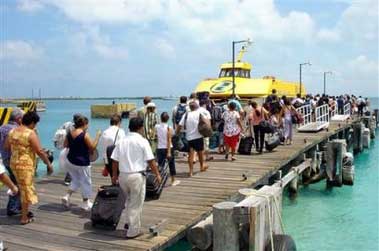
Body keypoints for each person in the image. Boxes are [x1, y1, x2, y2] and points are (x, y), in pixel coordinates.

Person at [111, 117, 162, 239]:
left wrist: (114, 175)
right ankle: (133, 231)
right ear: (140, 128)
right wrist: (157, 174)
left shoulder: (121, 141)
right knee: (136, 203)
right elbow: (150, 160)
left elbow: (114, 160)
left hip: (123, 175)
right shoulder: (142, 141)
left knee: (128, 201)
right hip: (136, 175)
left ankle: (129, 223)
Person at [5, 111, 53, 225]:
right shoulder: (30, 133)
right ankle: (24, 218)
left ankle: (21, 210)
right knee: (26, 190)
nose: (35, 126)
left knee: (22, 188)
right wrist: (48, 164)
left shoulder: (12, 131)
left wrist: (18, 149)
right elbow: (39, 151)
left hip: (14, 163)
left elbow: (6, 147)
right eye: (35, 124)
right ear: (32, 122)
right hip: (25, 165)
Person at [61, 114, 101, 211]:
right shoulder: (84, 134)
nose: (88, 126)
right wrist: (98, 136)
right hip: (82, 163)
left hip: (71, 161)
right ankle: (85, 203)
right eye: (87, 125)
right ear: (84, 124)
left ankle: (67, 196)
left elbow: (65, 145)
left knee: (76, 180)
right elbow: (92, 147)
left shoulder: (70, 133)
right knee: (86, 182)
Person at [0, 108, 24, 215]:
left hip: (4, 159)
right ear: (19, 119)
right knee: (17, 183)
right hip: (14, 159)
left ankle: (17, 205)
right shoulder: (16, 130)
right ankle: (13, 208)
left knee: (14, 182)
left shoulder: (2, 127)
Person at [176, 101, 208, 176]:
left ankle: (190, 171)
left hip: (189, 137)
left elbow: (180, 125)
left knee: (190, 155)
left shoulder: (186, 115)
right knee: (200, 153)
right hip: (198, 136)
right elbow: (206, 123)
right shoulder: (199, 114)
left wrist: (176, 133)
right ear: (197, 107)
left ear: (190, 108)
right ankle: (201, 167)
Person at [155, 112, 180, 186]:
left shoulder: (156, 126)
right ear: (168, 119)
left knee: (160, 165)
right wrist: (169, 152)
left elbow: (156, 135)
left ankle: (159, 181)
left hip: (160, 148)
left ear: (160, 118)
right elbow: (169, 139)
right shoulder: (169, 127)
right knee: (171, 164)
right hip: (168, 148)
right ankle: (173, 180)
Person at [100, 114, 126, 178]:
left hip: (108, 161)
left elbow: (103, 149)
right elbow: (123, 147)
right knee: (120, 180)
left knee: (113, 179)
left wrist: (105, 165)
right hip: (117, 161)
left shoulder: (104, 132)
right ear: (119, 122)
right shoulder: (120, 131)